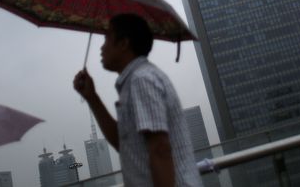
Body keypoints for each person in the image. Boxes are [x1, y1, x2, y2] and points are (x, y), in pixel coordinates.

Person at [73, 14, 203, 187]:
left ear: (123, 44)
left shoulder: (141, 80)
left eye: (107, 39)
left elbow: (160, 150)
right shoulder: (136, 81)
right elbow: (126, 145)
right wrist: (92, 98)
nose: (102, 48)